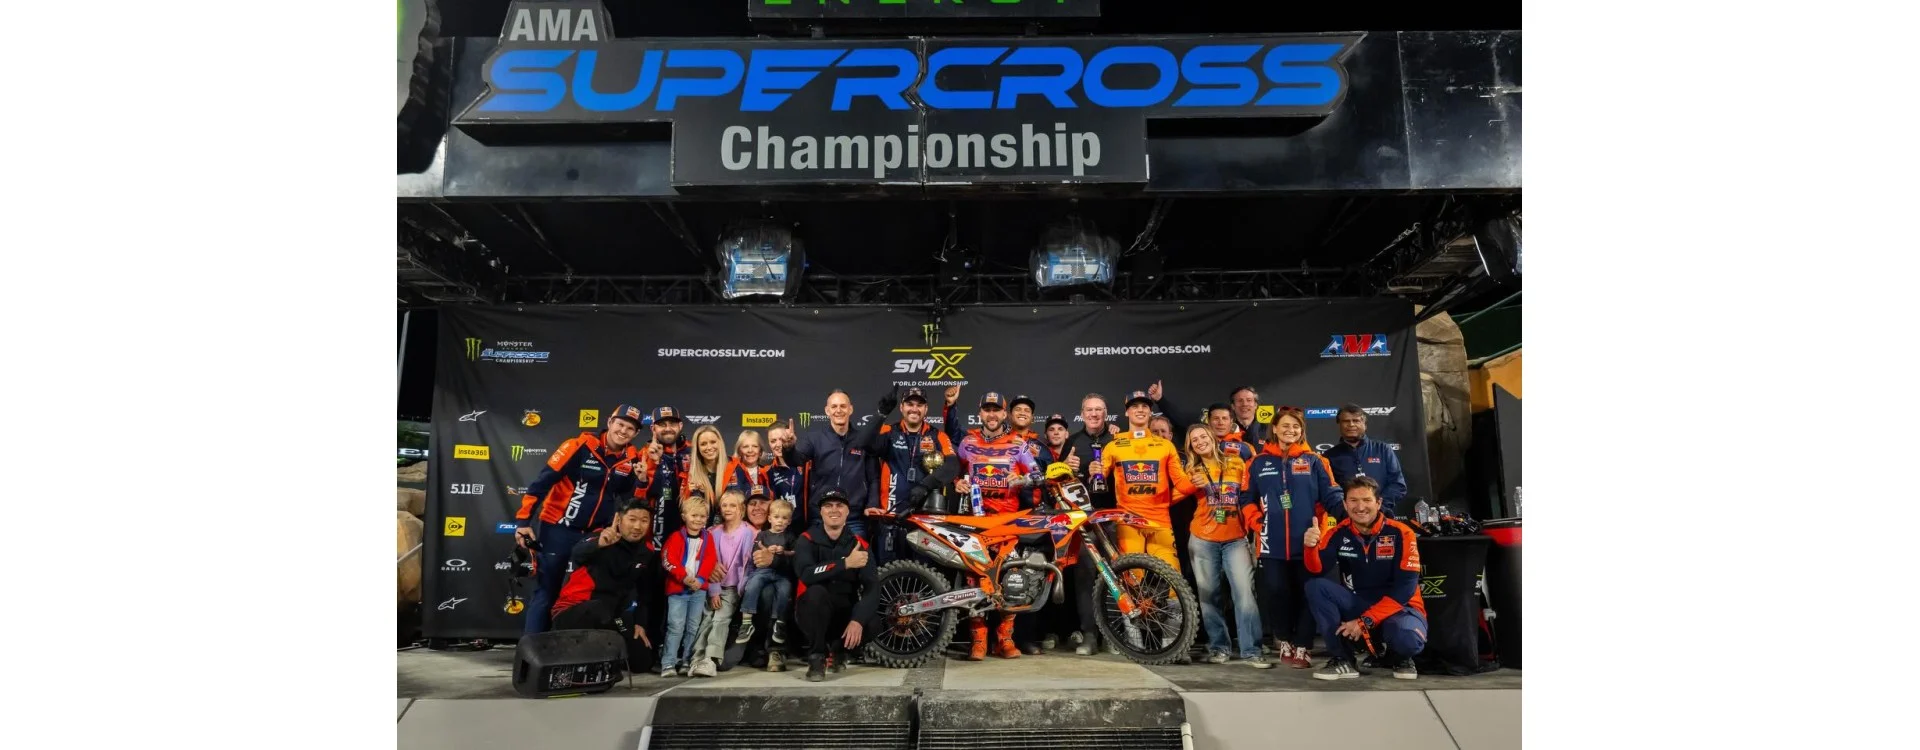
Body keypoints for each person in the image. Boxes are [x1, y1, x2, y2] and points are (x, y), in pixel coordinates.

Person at [512, 403, 649, 635]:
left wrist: (642, 482)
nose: (623, 431)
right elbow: (541, 483)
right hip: (558, 529)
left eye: (630, 429)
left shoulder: (632, 459)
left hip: (596, 535)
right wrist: (523, 522)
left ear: (635, 434)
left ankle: (577, 648)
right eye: (620, 424)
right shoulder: (578, 446)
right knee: (547, 590)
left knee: (589, 595)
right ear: (610, 422)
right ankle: (532, 649)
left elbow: (630, 503)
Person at [1244, 406, 1345, 668]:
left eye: (1296, 427)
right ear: (1274, 428)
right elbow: (1246, 498)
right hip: (1271, 542)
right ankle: (1285, 638)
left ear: (1302, 431)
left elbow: (1331, 495)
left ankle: (1303, 645)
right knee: (1277, 592)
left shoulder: (1315, 461)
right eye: (1286, 425)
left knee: (1307, 594)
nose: (1291, 430)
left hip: (1308, 541)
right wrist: (1257, 522)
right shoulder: (1257, 462)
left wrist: (1348, 514)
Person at [1304, 475, 1426, 680]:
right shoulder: (1337, 533)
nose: (1360, 507)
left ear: (1378, 503)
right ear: (1345, 504)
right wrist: (1310, 547)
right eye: (1353, 500)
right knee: (1316, 586)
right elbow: (1317, 570)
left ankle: (1400, 657)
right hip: (1360, 605)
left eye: (1367, 500)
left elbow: (1405, 590)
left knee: (1406, 639)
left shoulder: (1402, 533)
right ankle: (1343, 659)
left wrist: (1365, 621)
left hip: (1400, 608)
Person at [952, 391, 1041, 660]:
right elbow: (952, 472)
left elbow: (1039, 476)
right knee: (975, 580)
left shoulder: (1018, 444)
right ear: (980, 413)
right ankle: (978, 641)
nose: (991, 415)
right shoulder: (967, 442)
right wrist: (957, 482)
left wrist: (1022, 480)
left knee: (1011, 579)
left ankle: (1005, 639)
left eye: (996, 410)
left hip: (1007, 524)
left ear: (1004, 414)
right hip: (976, 524)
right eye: (987, 410)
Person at [1180, 425, 1270, 668]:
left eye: (1203, 436)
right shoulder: (1190, 470)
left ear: (1212, 437)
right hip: (1202, 538)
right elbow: (1174, 495)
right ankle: (1219, 647)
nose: (1200, 442)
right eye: (1194, 440)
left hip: (1235, 538)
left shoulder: (1237, 463)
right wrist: (1192, 485)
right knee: (1209, 596)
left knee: (1245, 594)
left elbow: (1250, 494)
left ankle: (1251, 650)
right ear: (1190, 447)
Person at [1099, 390, 1202, 573]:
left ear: (1150, 411)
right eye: (1134, 406)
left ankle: (1172, 597)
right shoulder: (1113, 445)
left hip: (1159, 520)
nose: (1140, 410)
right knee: (1133, 579)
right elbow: (1099, 480)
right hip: (1128, 521)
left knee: (1172, 576)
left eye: (1144, 406)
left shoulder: (1165, 445)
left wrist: (1197, 480)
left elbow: (1182, 484)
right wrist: (1094, 472)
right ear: (1127, 412)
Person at [550, 501, 658, 673]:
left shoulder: (647, 551)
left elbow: (645, 593)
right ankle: (583, 658)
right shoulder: (601, 537)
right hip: (572, 611)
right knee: (599, 609)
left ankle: (602, 659)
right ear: (619, 519)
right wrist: (599, 544)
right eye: (632, 519)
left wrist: (640, 623)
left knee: (642, 661)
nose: (638, 526)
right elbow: (577, 553)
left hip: (611, 616)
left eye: (644, 520)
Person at [793, 489, 882, 682]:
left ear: (848, 511)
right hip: (812, 614)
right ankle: (817, 657)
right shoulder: (806, 539)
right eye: (828, 506)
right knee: (816, 593)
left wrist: (858, 620)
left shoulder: (860, 545)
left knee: (873, 622)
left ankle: (838, 650)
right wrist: (845, 563)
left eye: (839, 505)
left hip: (843, 614)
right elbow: (806, 574)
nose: (834, 510)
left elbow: (872, 588)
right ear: (821, 511)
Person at [870, 387, 958, 566]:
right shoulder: (888, 431)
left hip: (925, 523)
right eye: (910, 404)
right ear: (901, 407)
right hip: (891, 517)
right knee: (889, 574)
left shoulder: (937, 435)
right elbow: (864, 443)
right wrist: (881, 413)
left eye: (920, 405)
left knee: (925, 575)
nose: (914, 409)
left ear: (926, 409)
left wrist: (925, 485)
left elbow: (953, 465)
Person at [781, 390, 888, 535]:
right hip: (820, 516)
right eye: (834, 406)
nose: (839, 410)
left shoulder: (863, 440)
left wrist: (872, 504)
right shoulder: (814, 438)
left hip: (853, 518)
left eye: (843, 406)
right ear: (827, 411)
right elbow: (795, 461)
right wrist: (788, 449)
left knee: (858, 551)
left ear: (850, 409)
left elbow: (873, 477)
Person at [1061, 392, 1119, 655]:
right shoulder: (1072, 442)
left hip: (1112, 518)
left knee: (1116, 576)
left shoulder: (1117, 439)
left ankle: (1113, 635)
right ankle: (1089, 636)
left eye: (1099, 409)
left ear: (1105, 413)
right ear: (1082, 414)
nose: (1094, 414)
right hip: (1083, 520)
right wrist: (1066, 467)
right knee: (1084, 578)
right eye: (1089, 410)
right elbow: (1058, 482)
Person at [689, 488, 756, 677]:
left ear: (741, 508)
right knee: (706, 619)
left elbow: (749, 566)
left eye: (732, 505)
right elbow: (710, 564)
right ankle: (696, 658)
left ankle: (711, 658)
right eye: (724, 505)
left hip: (734, 588)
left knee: (720, 619)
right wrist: (714, 590)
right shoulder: (713, 533)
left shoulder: (750, 533)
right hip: (715, 587)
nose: (727, 509)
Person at [658, 495, 719, 677]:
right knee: (675, 626)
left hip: (698, 591)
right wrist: (684, 577)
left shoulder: (708, 538)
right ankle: (668, 663)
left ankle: (686, 661)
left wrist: (700, 579)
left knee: (693, 627)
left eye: (702, 516)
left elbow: (710, 560)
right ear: (684, 516)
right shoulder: (676, 537)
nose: (698, 520)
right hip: (678, 590)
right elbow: (668, 560)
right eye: (694, 515)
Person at [1322, 404, 1408, 517]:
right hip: (1348, 519)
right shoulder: (1329, 456)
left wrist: (1378, 507)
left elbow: (1398, 485)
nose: (1351, 424)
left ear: (1365, 424)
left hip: (1382, 516)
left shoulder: (1383, 449)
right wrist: (1347, 513)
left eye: (1356, 420)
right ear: (1339, 425)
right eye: (1346, 421)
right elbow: (1329, 491)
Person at [736, 497, 798, 650]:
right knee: (753, 584)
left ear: (789, 521)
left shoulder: (790, 536)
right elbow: (756, 553)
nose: (780, 521)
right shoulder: (763, 535)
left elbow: (795, 553)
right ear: (769, 518)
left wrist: (783, 552)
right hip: (763, 571)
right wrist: (766, 551)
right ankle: (747, 621)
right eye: (776, 517)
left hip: (782, 573)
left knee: (785, 590)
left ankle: (779, 622)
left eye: (784, 518)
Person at [641, 406, 691, 544]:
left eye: (672, 424)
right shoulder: (644, 455)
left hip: (689, 529)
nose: (668, 428)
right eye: (662, 424)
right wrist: (655, 463)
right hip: (656, 531)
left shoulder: (693, 451)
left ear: (680, 426)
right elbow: (639, 496)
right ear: (653, 428)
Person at [682, 425, 730, 518]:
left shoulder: (734, 468)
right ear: (697, 448)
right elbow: (686, 510)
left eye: (713, 442)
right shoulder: (689, 473)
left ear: (720, 443)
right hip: (701, 526)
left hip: (729, 526)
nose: (709, 447)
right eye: (703, 444)